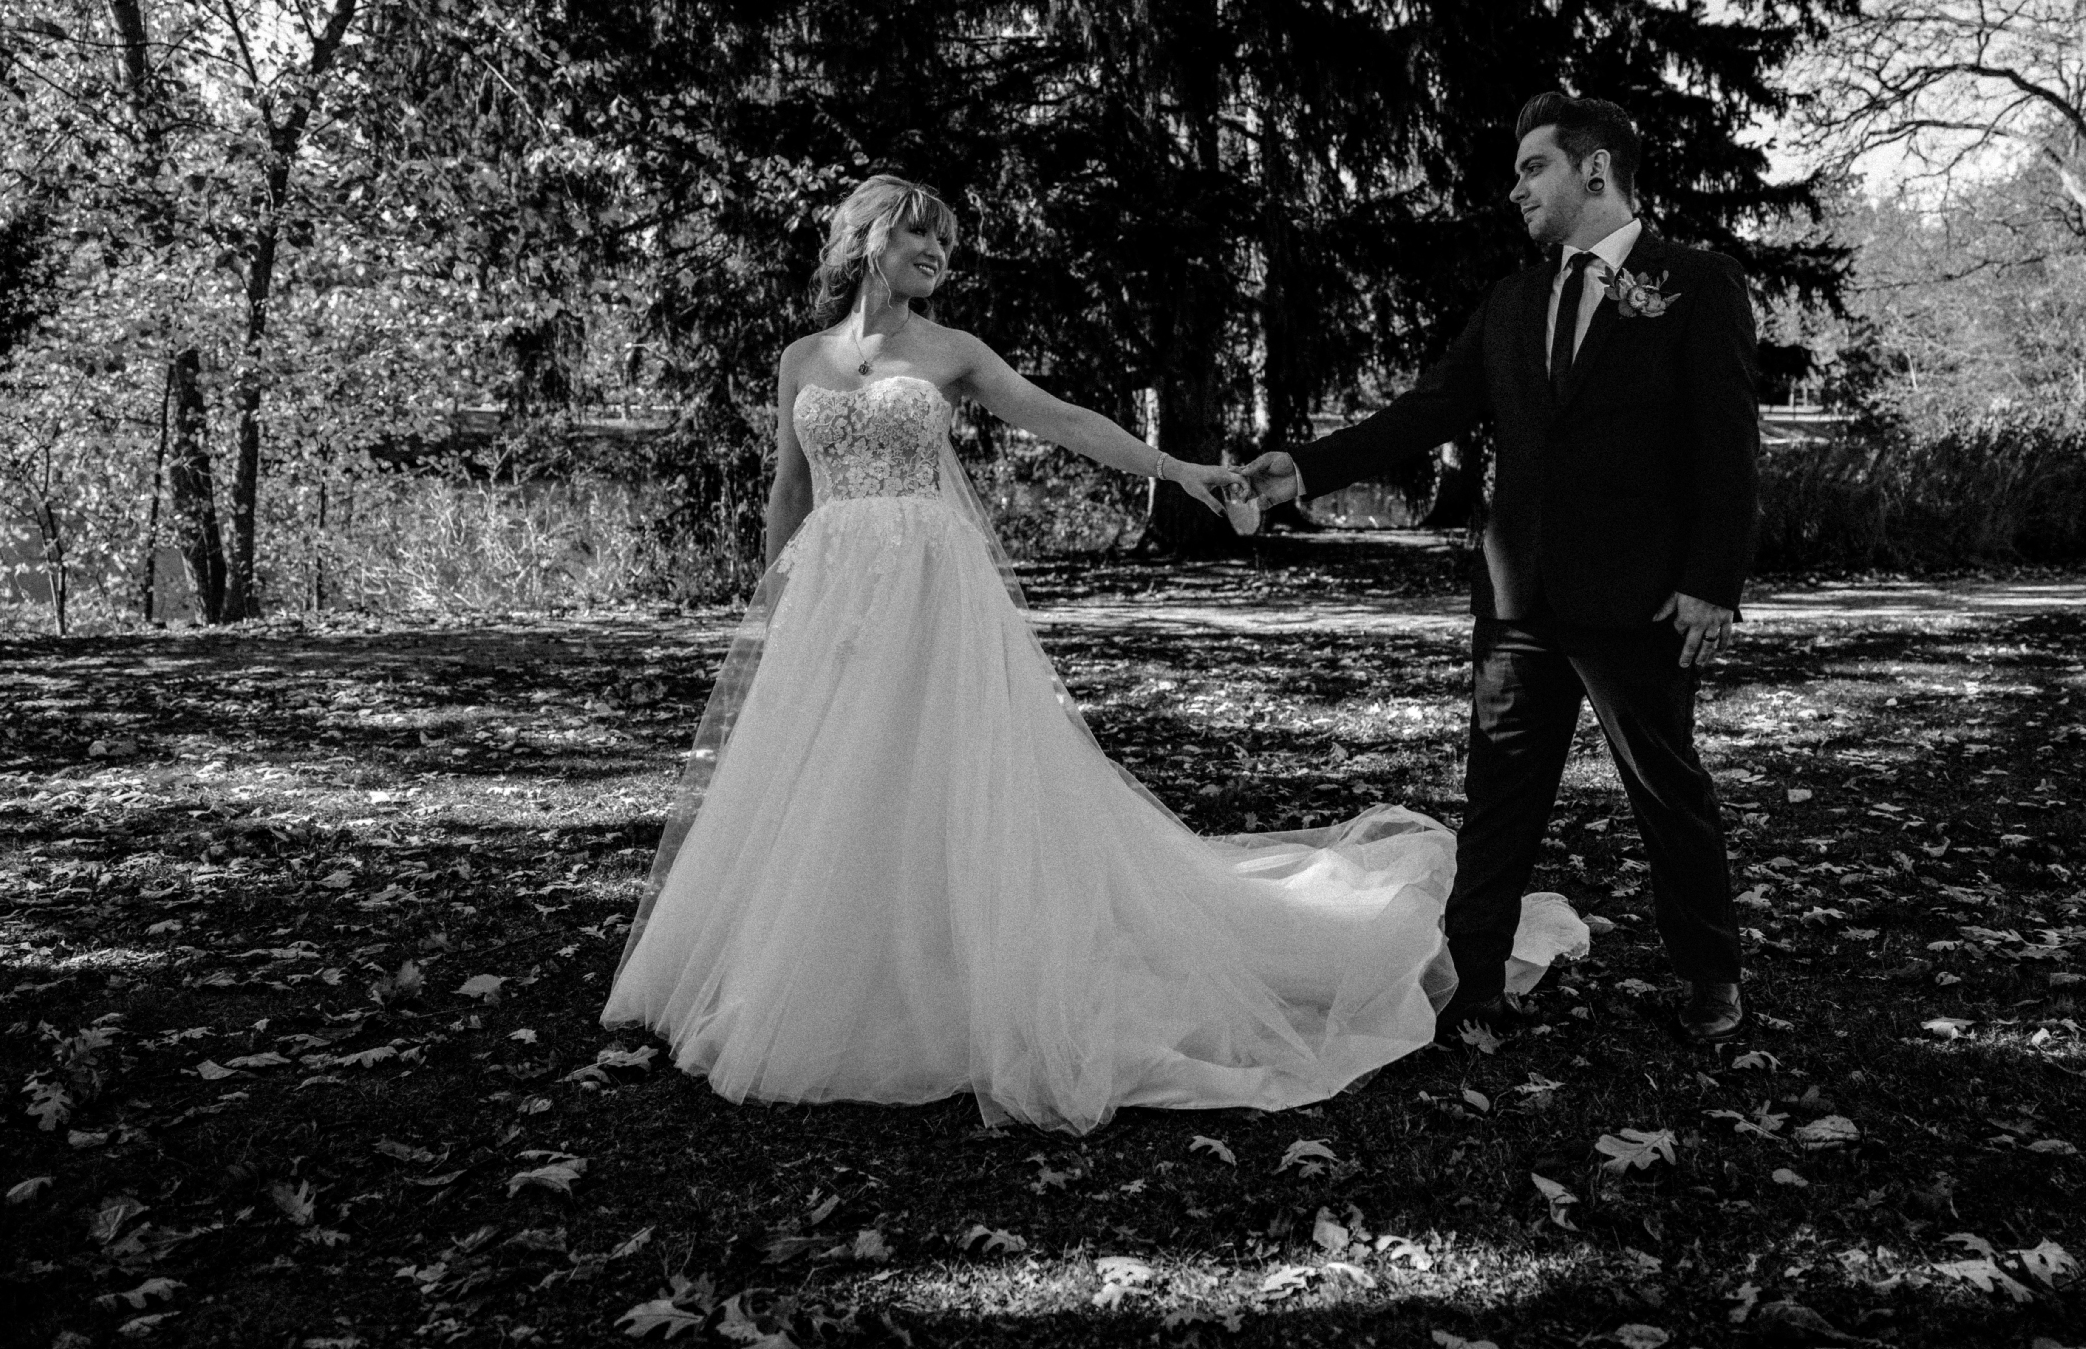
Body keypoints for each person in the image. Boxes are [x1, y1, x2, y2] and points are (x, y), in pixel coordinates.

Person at [604, 173, 1582, 1134]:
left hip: (927, 591)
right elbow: (789, 488)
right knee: (828, 780)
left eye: (947, 240)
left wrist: (1180, 468)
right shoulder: (801, 360)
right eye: (920, 236)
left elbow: (1064, 420)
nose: (940, 253)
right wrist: (777, 610)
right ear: (868, 240)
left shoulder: (953, 351)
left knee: (936, 767)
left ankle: (952, 966)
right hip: (831, 595)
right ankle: (831, 965)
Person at [1241, 94, 1758, 1045]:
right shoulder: (1515, 301)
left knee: (1666, 790)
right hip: (1518, 598)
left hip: (1641, 598)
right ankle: (1476, 980)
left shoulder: (1697, 282)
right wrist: (1304, 470)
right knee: (1499, 795)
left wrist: (1710, 582)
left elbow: (1727, 449)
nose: (1514, 187)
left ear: (1594, 170)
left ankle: (1711, 974)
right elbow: (1427, 409)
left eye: (1532, 168)